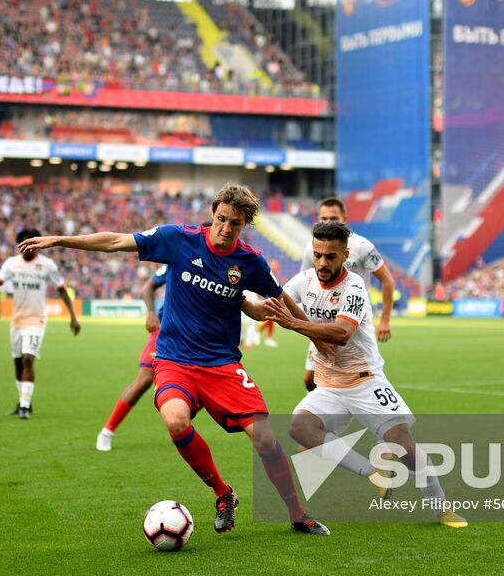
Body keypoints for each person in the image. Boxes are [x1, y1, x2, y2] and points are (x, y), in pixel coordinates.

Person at [18, 183, 330, 535]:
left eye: (236, 223)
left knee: (265, 438)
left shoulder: (251, 262)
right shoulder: (179, 239)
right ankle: (223, 493)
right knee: (176, 421)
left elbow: (278, 298)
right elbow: (115, 241)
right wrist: (59, 240)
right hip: (175, 360)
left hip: (222, 365)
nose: (226, 229)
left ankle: (296, 512)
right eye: (222, 219)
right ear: (212, 212)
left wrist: (312, 332)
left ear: (246, 225)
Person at [260, 220, 467, 528]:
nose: (322, 263)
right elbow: (270, 304)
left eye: (330, 256)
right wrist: (238, 299)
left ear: (345, 255)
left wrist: (295, 324)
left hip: (365, 381)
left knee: (403, 445)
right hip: (329, 385)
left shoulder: (355, 285)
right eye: (317, 255)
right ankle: (372, 471)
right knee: (300, 427)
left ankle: (442, 508)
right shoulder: (303, 281)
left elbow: (342, 333)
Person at [299, 197, 397, 391]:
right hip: (324, 320)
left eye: (333, 217)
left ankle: (378, 407)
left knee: (365, 374)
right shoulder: (312, 248)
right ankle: (326, 411)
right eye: (323, 218)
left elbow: (387, 280)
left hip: (355, 320)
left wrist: (385, 320)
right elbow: (304, 282)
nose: (328, 222)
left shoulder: (362, 246)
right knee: (310, 379)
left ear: (345, 218)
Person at [0, 228, 81, 419]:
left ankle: (24, 406)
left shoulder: (47, 265)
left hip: (36, 320)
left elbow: (62, 290)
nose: (28, 247)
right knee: (18, 362)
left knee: (28, 358)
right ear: (19, 245)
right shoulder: (11, 264)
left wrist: (73, 316)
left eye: (32, 243)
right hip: (17, 320)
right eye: (24, 243)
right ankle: (24, 402)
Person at [97, 265, 167, 452]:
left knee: (205, 382)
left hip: (196, 334)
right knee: (144, 380)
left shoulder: (218, 264)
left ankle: (180, 422)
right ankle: (107, 431)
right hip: (166, 330)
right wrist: (151, 312)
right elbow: (149, 286)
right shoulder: (180, 255)